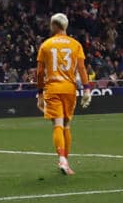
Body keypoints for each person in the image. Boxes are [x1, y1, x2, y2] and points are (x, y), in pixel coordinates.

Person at [34, 13, 89, 176]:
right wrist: (86, 89)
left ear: (53, 26)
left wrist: (39, 93)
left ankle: (62, 160)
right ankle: (66, 161)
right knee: (66, 125)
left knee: (57, 124)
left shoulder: (46, 45)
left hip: (52, 88)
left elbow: (39, 72)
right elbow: (82, 69)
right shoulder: (75, 44)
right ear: (65, 26)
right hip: (69, 89)